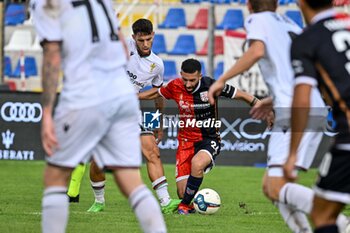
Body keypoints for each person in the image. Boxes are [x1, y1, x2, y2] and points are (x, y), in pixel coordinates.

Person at [208, 0, 349, 232]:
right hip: (313, 106)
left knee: (275, 186)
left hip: (294, 109)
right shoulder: (291, 24)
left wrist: (222, 80)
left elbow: (257, 50)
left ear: (248, 5)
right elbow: (301, 72)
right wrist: (272, 99)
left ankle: (341, 223)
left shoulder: (257, 19)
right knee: (272, 186)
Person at [31, 0, 166, 232]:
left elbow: (52, 57)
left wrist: (47, 112)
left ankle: (164, 199)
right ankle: (108, 203)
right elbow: (119, 46)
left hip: (89, 93)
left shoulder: (44, 3)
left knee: (55, 176)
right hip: (123, 97)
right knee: (130, 180)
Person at [139, 58, 264, 214]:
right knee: (183, 193)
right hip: (185, 142)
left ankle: (183, 207)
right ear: (180, 75)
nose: (188, 84)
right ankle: (192, 202)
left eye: (192, 80)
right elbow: (155, 93)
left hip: (208, 139)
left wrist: (256, 102)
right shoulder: (175, 86)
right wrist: (135, 96)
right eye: (185, 79)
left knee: (197, 164)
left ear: (200, 76)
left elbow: (240, 94)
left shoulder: (211, 85)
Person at [85, 18, 180, 213]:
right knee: (98, 162)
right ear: (133, 38)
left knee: (151, 150)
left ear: (153, 36)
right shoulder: (119, 47)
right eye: (141, 40)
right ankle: (99, 201)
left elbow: (157, 94)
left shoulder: (157, 65)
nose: (145, 44)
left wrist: (159, 123)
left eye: (148, 39)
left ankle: (165, 201)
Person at [283, 0, 350, 233]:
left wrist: (292, 154)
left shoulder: (307, 39)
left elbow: (302, 100)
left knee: (322, 214)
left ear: (301, 3)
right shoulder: (347, 24)